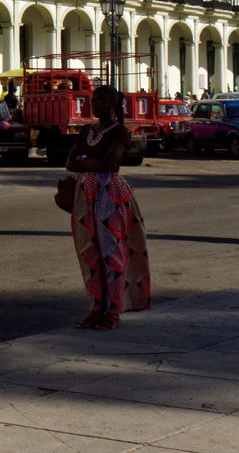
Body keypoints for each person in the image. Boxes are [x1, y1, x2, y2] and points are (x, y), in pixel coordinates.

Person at [64, 84, 150, 331]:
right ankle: (95, 308)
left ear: (111, 105)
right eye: (93, 100)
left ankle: (113, 311)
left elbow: (109, 164)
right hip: (85, 196)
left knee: (111, 253)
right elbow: (70, 161)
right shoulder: (86, 131)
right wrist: (90, 163)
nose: (93, 104)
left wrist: (85, 161)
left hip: (109, 197)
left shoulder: (119, 132)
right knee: (88, 253)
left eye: (99, 100)